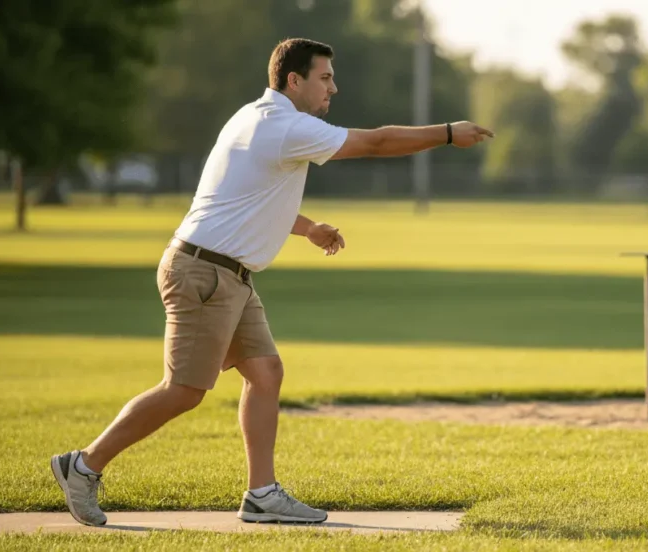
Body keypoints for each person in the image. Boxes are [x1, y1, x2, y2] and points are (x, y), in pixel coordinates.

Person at [50, 37, 494, 527]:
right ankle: (84, 466)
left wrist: (307, 228)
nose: (333, 88)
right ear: (294, 80)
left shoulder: (252, 117)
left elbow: (250, 198)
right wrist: (449, 133)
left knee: (266, 374)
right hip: (205, 273)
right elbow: (377, 142)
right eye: (324, 78)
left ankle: (261, 494)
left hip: (226, 274)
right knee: (182, 390)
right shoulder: (287, 126)